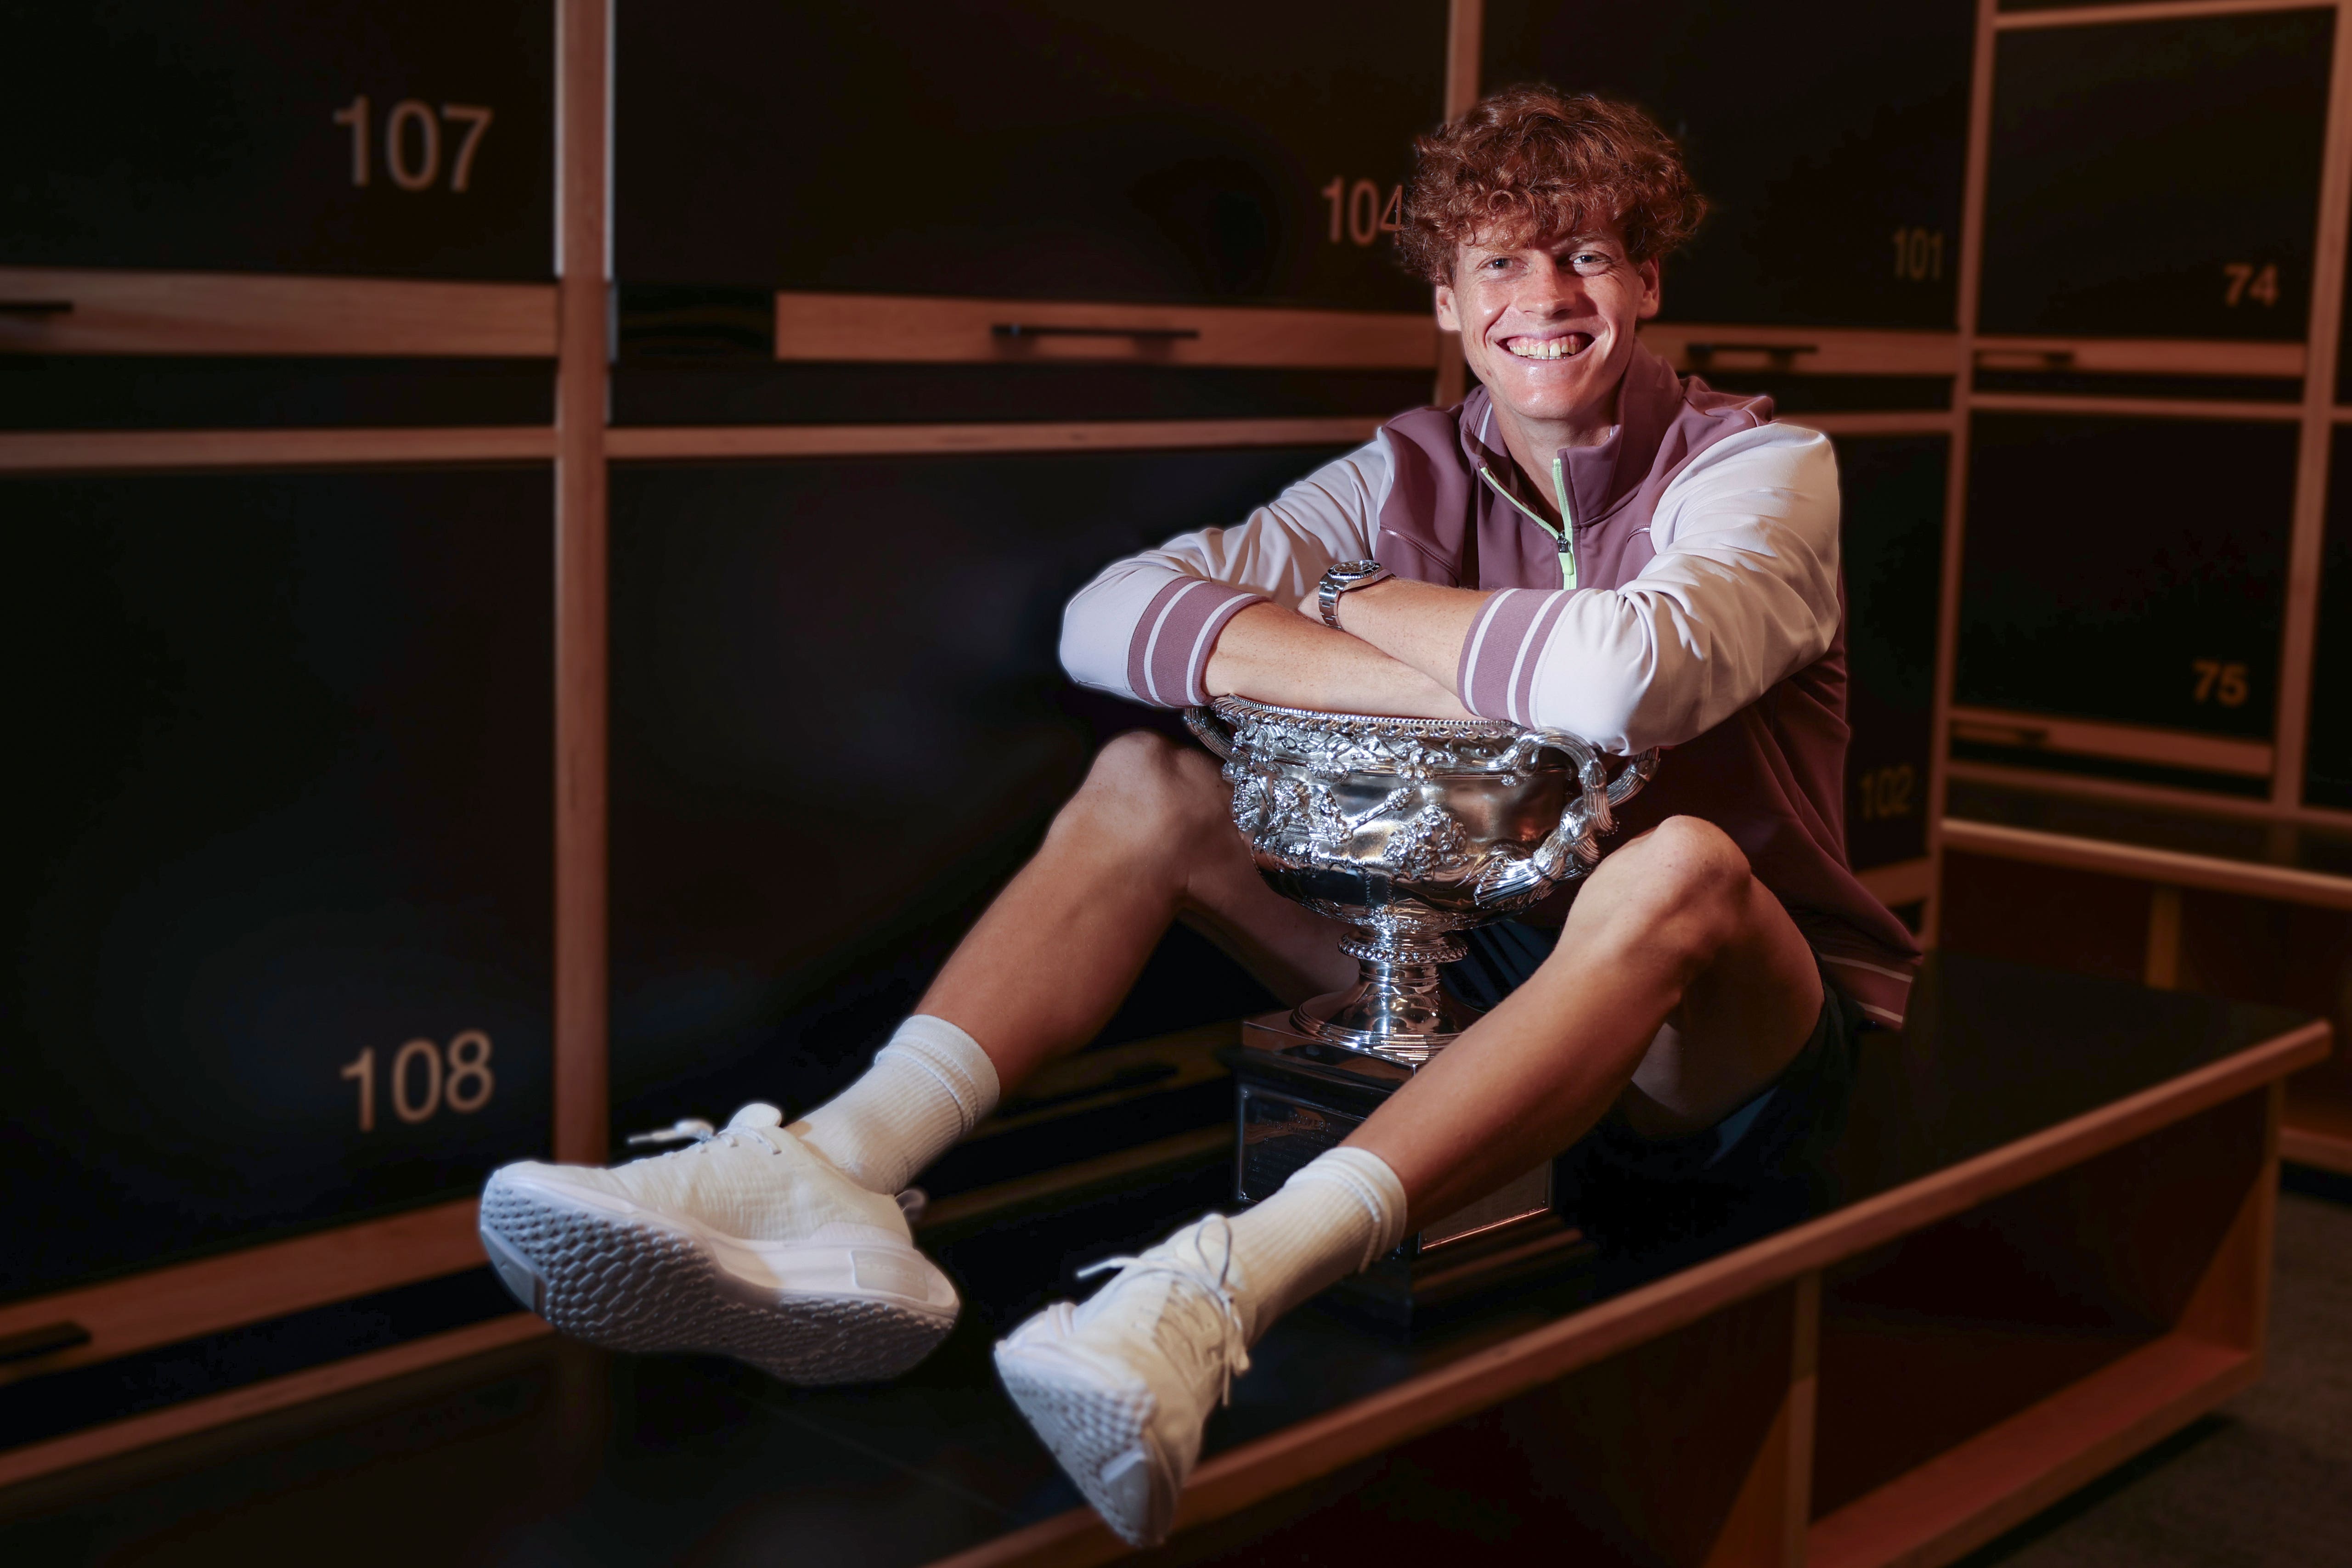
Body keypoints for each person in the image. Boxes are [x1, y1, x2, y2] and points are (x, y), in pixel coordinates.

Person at [477, 84, 1920, 1547]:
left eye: (1588, 258)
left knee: (1676, 863)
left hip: (1717, 1048)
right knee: (1145, 782)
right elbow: (1108, 618)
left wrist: (1355, 598)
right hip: (1480, 968)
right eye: (1499, 262)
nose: (1544, 298)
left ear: (1647, 281)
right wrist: (1433, 659)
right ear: (1445, 295)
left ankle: (1206, 1293)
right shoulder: (1402, 471)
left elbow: (1627, 678)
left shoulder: (1757, 467)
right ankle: (837, 1168)